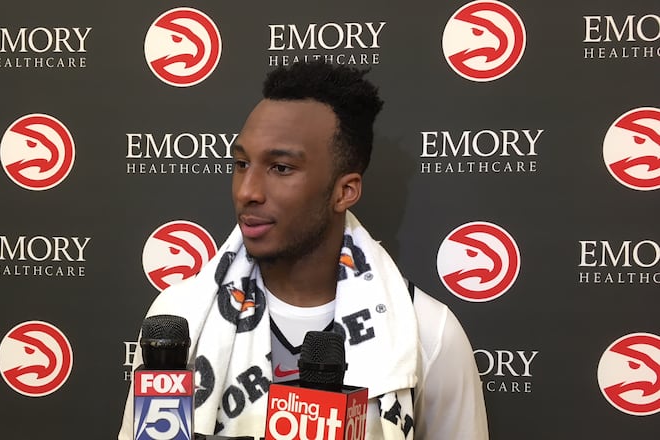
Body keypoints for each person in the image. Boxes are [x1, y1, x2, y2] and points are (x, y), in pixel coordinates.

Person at [119, 61, 488, 440]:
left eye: (280, 168)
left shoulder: (428, 333)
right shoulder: (179, 317)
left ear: (345, 191)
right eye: (241, 163)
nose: (247, 191)